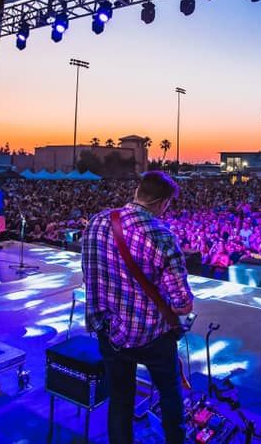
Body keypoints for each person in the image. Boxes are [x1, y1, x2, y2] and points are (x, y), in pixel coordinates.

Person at [82, 171, 193, 444]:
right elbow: (181, 304)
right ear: (161, 202)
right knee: (169, 394)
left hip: (109, 332)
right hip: (151, 335)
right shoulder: (161, 236)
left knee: (120, 399)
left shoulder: (96, 222)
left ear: (138, 192)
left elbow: (90, 273)